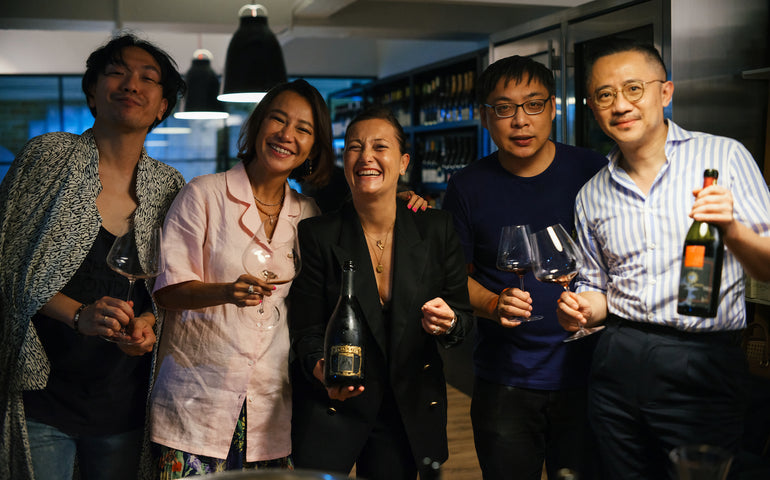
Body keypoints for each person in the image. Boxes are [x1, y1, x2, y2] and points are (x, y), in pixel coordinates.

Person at [557, 39, 770, 480]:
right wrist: (580, 310)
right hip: (617, 356)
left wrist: (731, 229)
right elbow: (596, 288)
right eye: (605, 95)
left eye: (633, 88)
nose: (620, 105)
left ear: (665, 92)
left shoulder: (725, 157)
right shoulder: (591, 193)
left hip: (703, 361)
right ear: (593, 109)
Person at [0, 34, 186, 480]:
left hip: (124, 400)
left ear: (162, 106)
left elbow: (170, 287)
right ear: (92, 92)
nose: (131, 84)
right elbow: (8, 265)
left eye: (148, 78)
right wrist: (79, 314)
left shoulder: (169, 185)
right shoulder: (49, 157)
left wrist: (149, 323)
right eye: (117, 72)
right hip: (43, 395)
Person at [442, 55, 607, 480]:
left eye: (533, 105)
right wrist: (494, 303)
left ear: (553, 108)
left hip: (589, 374)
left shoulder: (592, 170)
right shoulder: (467, 186)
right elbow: (451, 276)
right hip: (505, 380)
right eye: (504, 108)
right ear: (485, 117)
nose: (520, 121)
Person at [288, 106, 473, 480]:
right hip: (332, 403)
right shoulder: (317, 233)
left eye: (380, 146)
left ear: (403, 162)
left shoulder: (435, 229)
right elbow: (306, 329)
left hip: (404, 409)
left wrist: (449, 322)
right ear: (344, 161)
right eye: (355, 147)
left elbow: (463, 320)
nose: (366, 157)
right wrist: (321, 369)